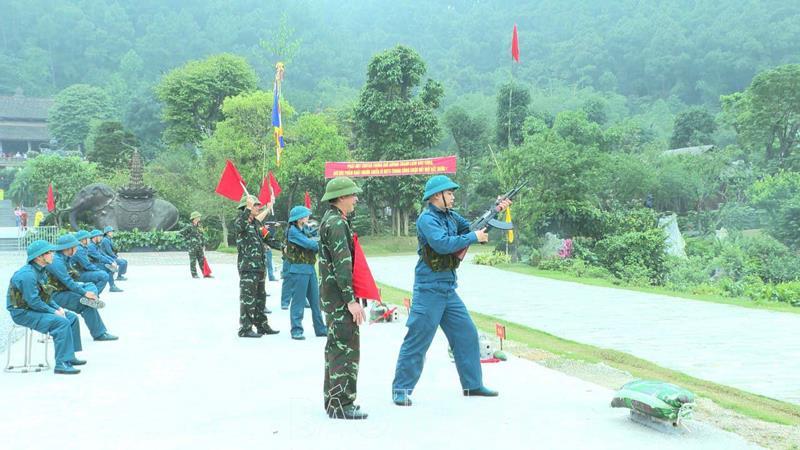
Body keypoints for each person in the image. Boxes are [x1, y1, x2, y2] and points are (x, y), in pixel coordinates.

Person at [391, 175, 511, 406]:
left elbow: (474, 227)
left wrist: (495, 209)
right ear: (437, 196)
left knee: (466, 334)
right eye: (450, 192)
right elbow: (442, 244)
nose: (453, 196)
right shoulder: (427, 220)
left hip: (447, 288)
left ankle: (472, 385)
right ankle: (401, 389)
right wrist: (473, 237)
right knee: (418, 339)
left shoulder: (450, 216)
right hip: (428, 289)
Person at [318, 177, 368, 420]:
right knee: (344, 350)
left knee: (335, 347)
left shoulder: (331, 220)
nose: (355, 199)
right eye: (352, 195)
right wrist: (351, 300)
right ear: (340, 198)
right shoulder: (337, 223)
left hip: (332, 298)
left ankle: (334, 401)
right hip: (340, 300)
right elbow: (342, 265)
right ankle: (341, 404)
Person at [6, 240, 85, 374]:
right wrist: (53, 311)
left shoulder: (41, 271)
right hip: (22, 313)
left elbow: (46, 295)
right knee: (61, 323)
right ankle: (61, 364)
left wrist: (57, 308)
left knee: (71, 318)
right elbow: (34, 302)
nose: (53, 254)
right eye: (49, 252)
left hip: (33, 308)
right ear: (39, 257)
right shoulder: (27, 275)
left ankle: (69, 356)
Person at [46, 234, 118, 341]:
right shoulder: (57, 261)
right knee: (86, 303)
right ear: (68, 248)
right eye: (75, 246)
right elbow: (68, 281)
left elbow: (71, 278)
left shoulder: (64, 258)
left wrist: (85, 291)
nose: (76, 248)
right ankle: (99, 333)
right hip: (56, 295)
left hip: (63, 289)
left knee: (90, 285)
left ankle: (93, 297)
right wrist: (84, 293)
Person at [235, 194, 279, 338]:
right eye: (255, 205)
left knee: (261, 298)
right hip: (248, 268)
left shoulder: (257, 224)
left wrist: (285, 247)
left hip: (260, 267)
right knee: (248, 299)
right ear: (246, 207)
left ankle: (262, 326)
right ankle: (245, 328)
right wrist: (248, 208)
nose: (258, 207)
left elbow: (269, 239)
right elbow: (240, 225)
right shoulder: (241, 222)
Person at [284, 206, 327, 340]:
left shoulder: (304, 229)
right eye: (306, 215)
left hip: (309, 268)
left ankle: (320, 328)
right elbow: (311, 245)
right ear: (300, 218)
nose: (308, 217)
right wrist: (320, 241)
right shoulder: (292, 231)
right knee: (298, 301)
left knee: (316, 301)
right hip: (298, 270)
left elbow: (314, 235)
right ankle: (296, 329)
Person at [71, 230, 111, 294]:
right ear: (83, 240)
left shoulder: (82, 247)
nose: (89, 240)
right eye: (88, 238)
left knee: (101, 273)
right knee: (104, 275)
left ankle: (92, 294)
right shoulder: (79, 249)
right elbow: (87, 265)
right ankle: (93, 296)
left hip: (80, 271)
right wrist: (98, 270)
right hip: (78, 274)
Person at [180, 212, 207, 279]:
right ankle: (194, 274)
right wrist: (188, 240)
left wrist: (203, 243)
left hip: (199, 246)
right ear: (194, 218)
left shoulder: (199, 226)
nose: (199, 218)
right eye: (198, 217)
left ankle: (205, 274)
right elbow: (180, 233)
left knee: (202, 260)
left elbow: (201, 235)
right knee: (193, 261)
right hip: (192, 247)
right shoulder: (189, 226)